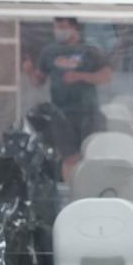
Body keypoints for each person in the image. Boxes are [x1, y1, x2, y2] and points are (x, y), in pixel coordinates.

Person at [23, 18, 112, 175]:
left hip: (87, 112)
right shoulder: (49, 52)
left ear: (74, 28)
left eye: (63, 27)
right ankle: (73, 191)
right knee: (69, 156)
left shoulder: (89, 51)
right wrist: (29, 71)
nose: (59, 31)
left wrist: (80, 76)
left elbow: (105, 77)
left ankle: (90, 189)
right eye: (56, 27)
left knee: (90, 154)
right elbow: (39, 81)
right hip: (61, 113)